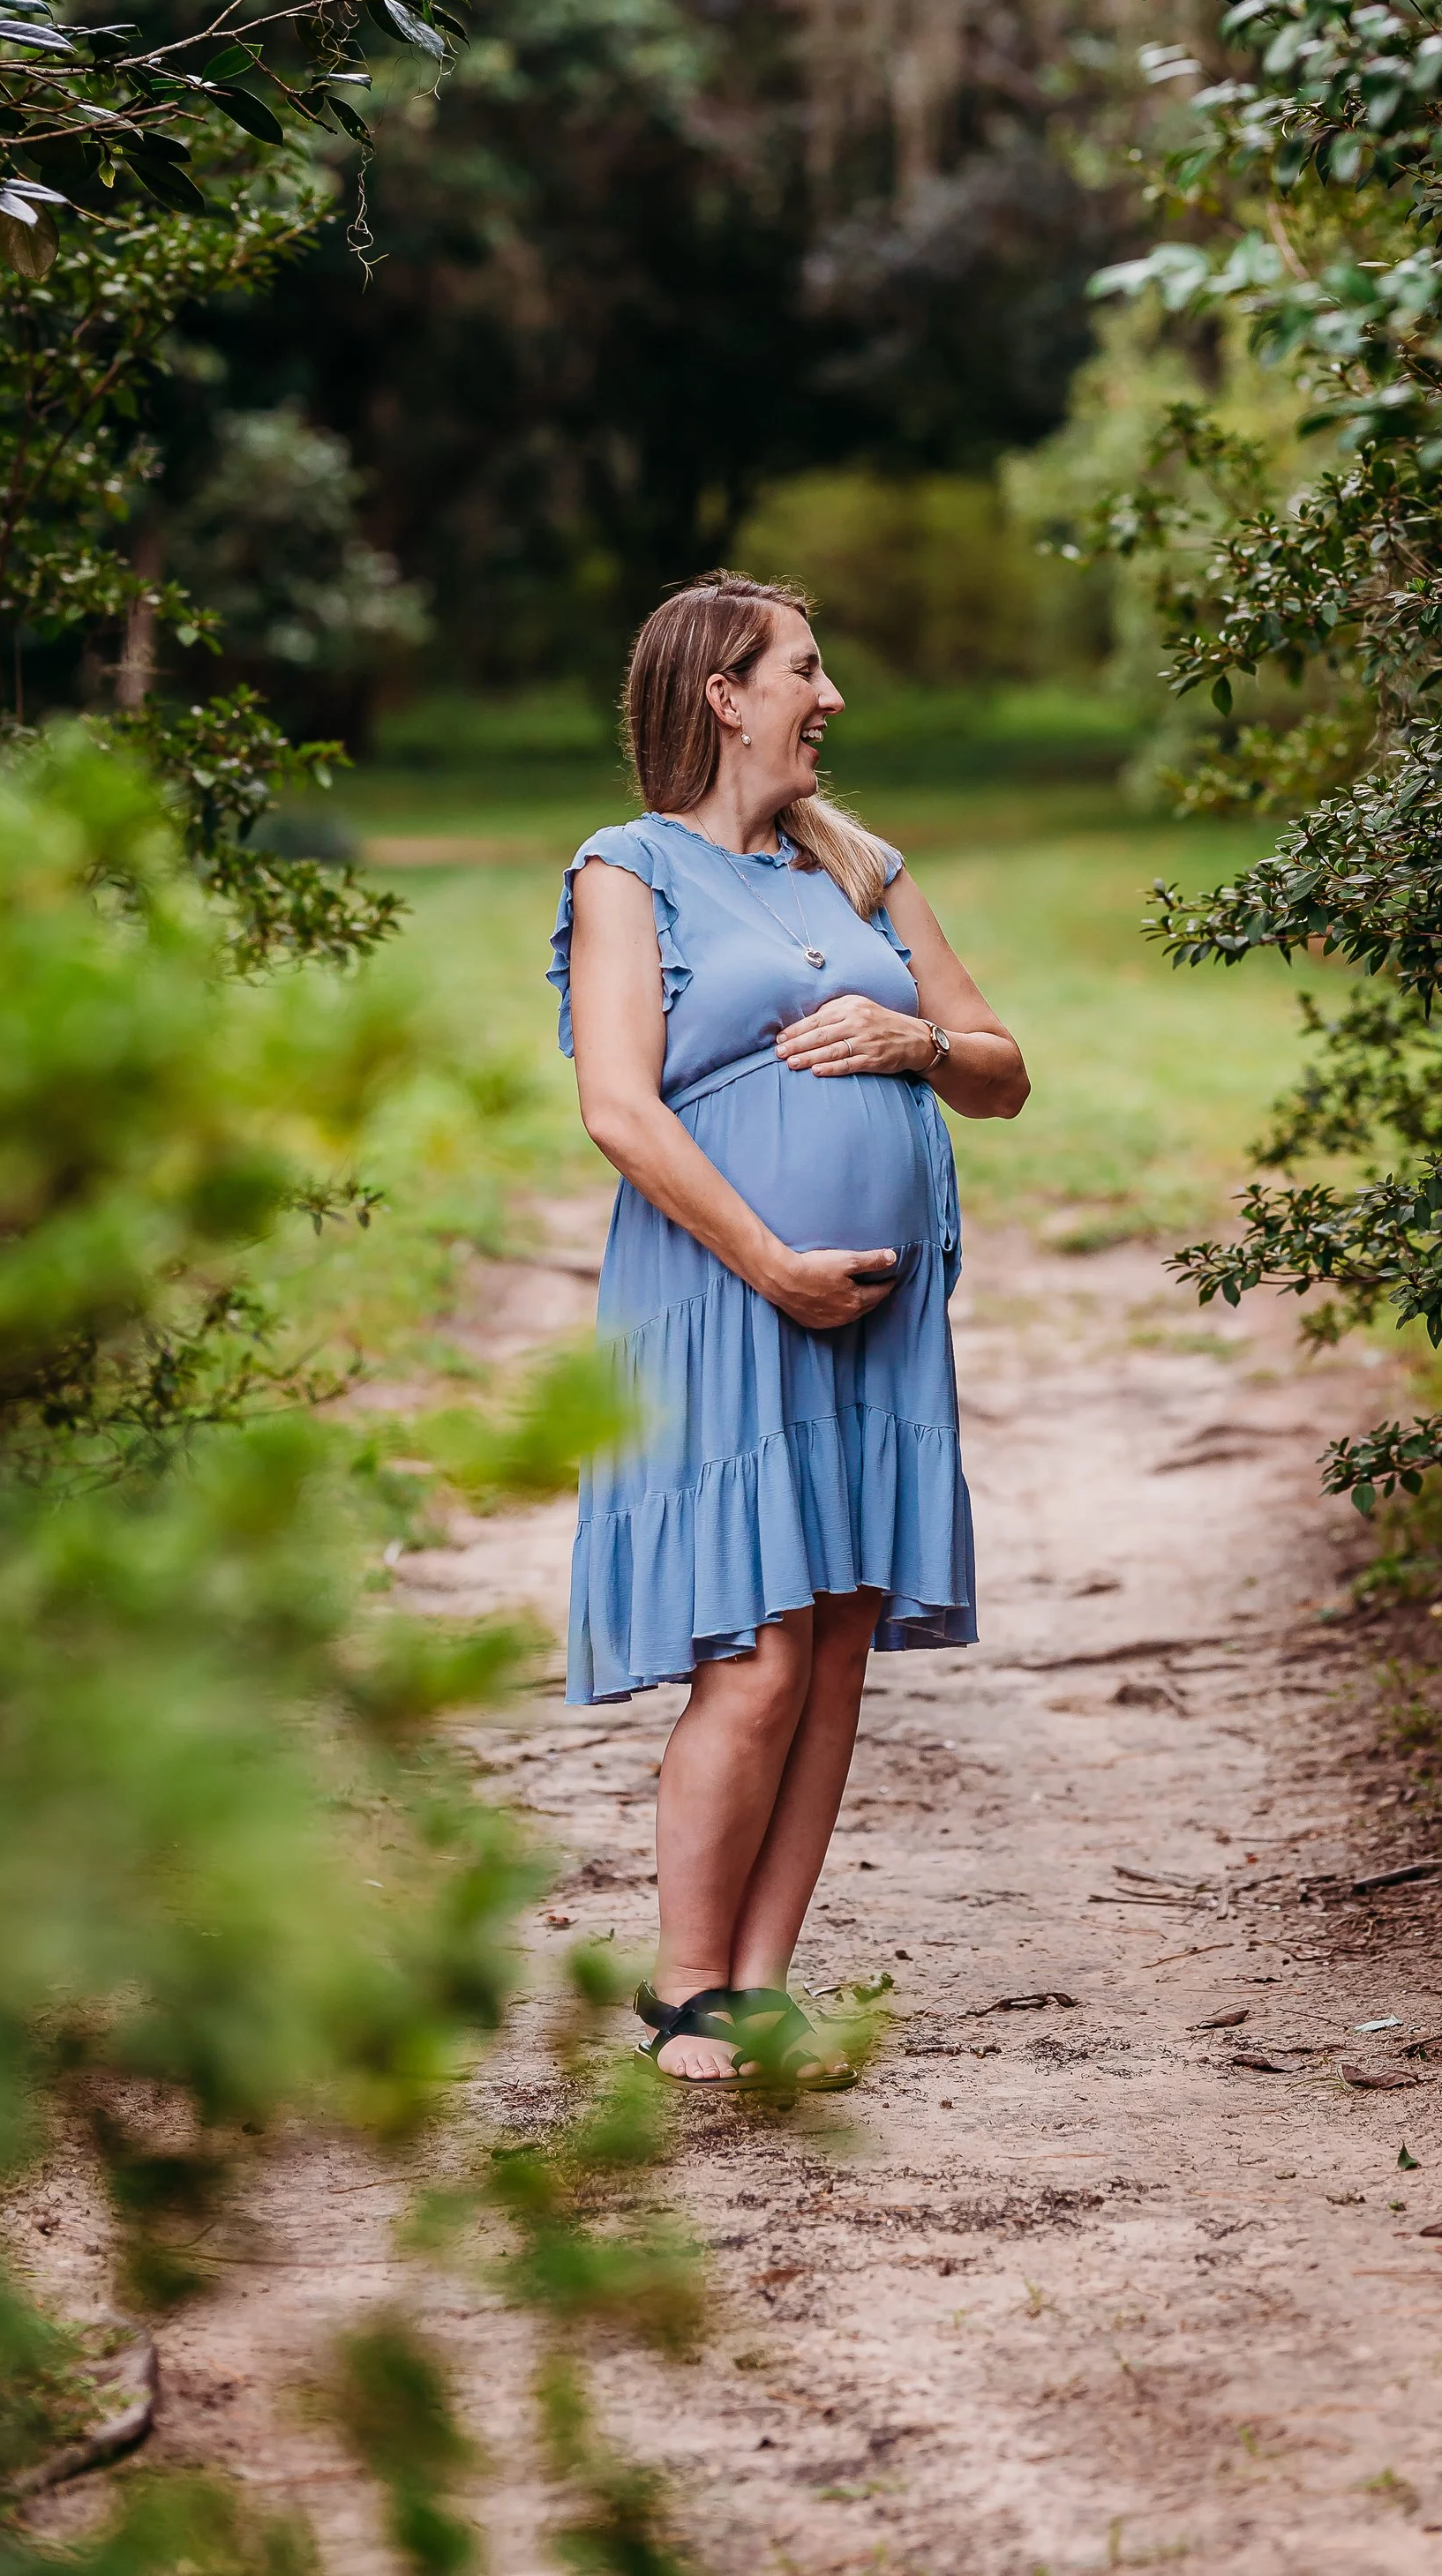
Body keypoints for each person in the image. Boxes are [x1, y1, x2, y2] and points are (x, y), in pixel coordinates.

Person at [548, 573, 1027, 2083]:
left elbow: (1004, 1070)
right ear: (724, 694)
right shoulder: (628, 871)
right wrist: (772, 1264)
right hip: (724, 1299)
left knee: (834, 1653)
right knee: (755, 1651)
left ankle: (762, 1985)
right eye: (805, 671)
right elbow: (619, 1108)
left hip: (876, 1323)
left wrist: (919, 1039)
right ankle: (686, 1983)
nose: (831, 700)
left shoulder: (862, 867)